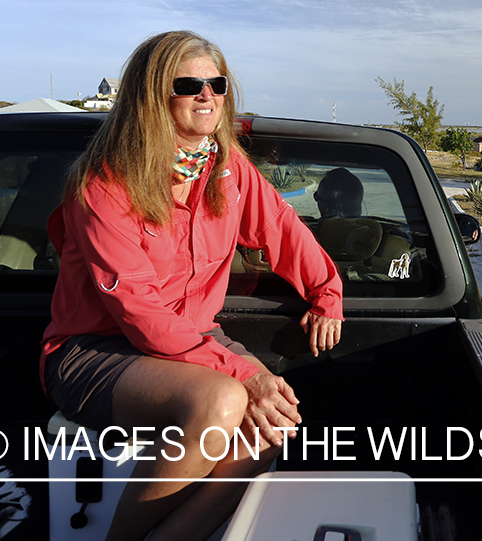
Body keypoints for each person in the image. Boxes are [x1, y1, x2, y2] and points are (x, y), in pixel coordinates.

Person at [39, 31, 343, 541]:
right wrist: (244, 373)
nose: (207, 95)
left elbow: (284, 232)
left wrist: (326, 294)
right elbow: (139, 310)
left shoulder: (228, 170)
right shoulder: (104, 184)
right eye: (188, 85)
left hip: (193, 339)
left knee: (273, 422)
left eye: (216, 84)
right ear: (152, 95)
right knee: (223, 400)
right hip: (95, 349)